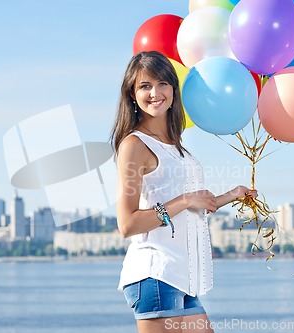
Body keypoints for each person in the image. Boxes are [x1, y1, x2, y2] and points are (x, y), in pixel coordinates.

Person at [110, 50, 257, 333]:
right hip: (155, 274)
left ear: (173, 90)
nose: (155, 92)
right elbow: (127, 224)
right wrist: (185, 199)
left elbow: (191, 205)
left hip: (182, 275)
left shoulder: (176, 146)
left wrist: (231, 195)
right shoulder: (134, 145)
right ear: (132, 94)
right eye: (145, 86)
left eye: (162, 83)